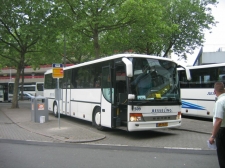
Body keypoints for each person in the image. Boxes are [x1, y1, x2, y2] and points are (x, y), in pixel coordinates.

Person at [209, 82, 225, 168]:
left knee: (222, 156)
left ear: (215, 91)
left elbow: (218, 120)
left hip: (222, 132)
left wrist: (213, 136)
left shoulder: (220, 102)